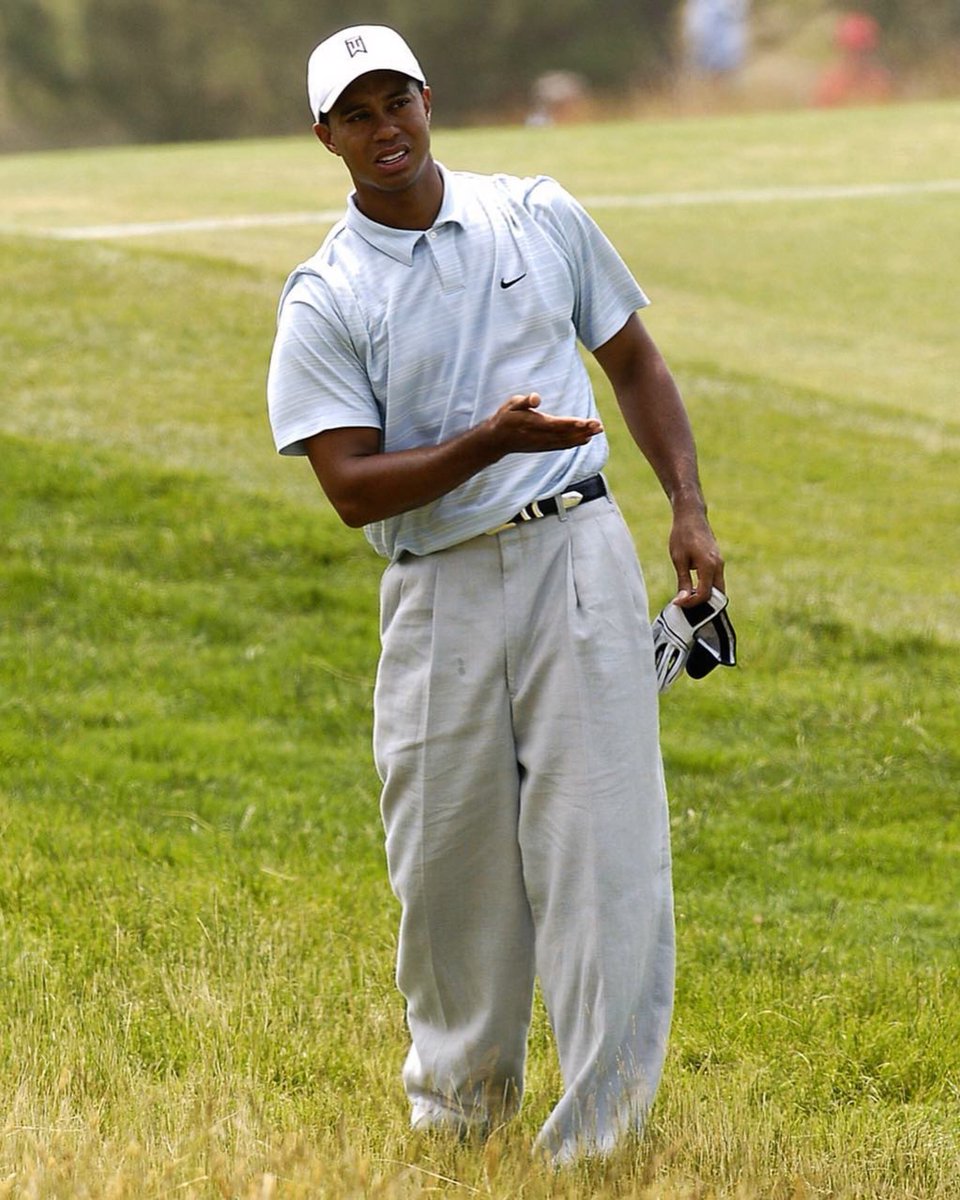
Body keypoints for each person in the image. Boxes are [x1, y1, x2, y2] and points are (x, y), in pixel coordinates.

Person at [266, 24, 726, 1164]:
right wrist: (488, 444)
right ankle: (460, 1120)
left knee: (604, 851)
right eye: (357, 115)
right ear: (325, 136)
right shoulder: (326, 295)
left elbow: (635, 362)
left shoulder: (537, 210)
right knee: (448, 861)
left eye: (398, 102)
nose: (386, 130)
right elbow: (351, 488)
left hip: (577, 551)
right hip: (437, 590)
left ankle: (601, 1143)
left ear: (431, 99)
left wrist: (688, 507)